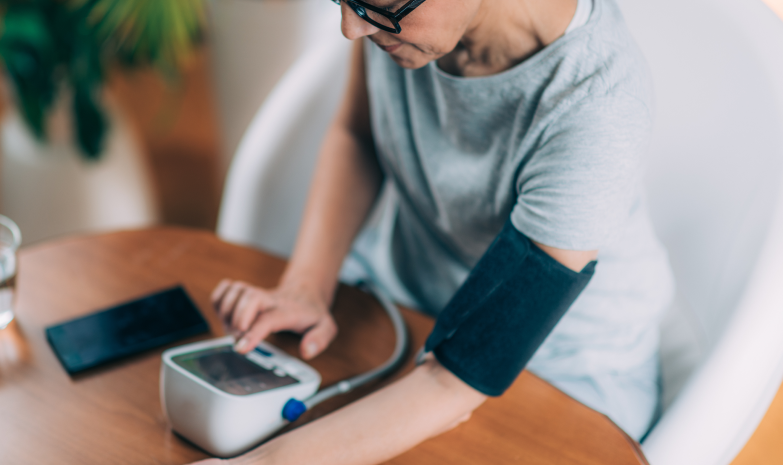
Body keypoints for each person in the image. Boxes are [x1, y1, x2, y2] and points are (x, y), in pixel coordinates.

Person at [196, 0, 674, 462]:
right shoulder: (391, 22)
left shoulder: (599, 107)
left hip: (557, 368)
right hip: (409, 307)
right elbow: (358, 135)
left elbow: (460, 375)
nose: (350, 28)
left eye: (375, 2)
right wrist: (306, 286)